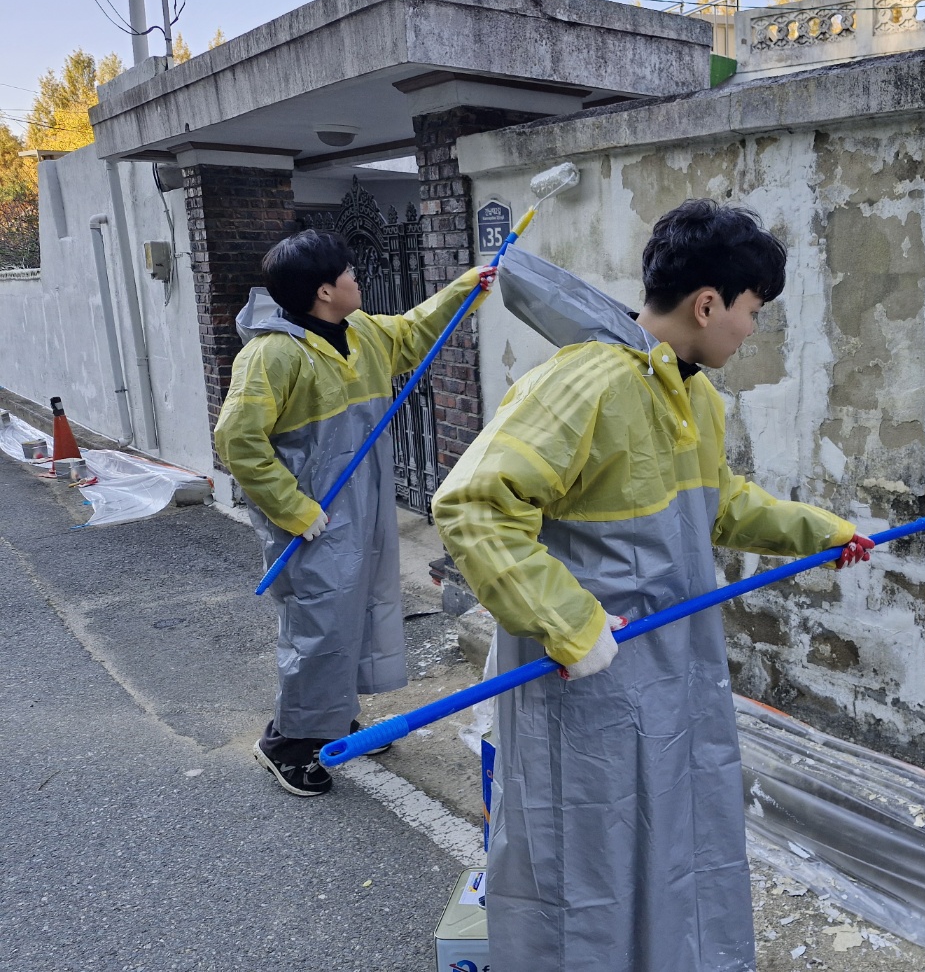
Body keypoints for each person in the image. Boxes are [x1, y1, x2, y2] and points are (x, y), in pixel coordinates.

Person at [432, 199, 876, 972]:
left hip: (673, 672)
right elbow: (473, 504)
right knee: (588, 862)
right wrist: (568, 623)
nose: (751, 330)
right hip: (589, 682)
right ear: (707, 304)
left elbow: (718, 503)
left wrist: (821, 532)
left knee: (674, 840)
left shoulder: (691, 394)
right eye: (752, 311)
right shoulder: (586, 383)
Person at [214, 229, 492, 797]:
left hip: (361, 507)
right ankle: (288, 742)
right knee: (319, 626)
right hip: (313, 521)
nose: (356, 278)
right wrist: (295, 510)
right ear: (324, 291)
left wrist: (468, 287)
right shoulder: (272, 355)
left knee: (355, 613)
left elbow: (412, 332)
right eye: (348, 272)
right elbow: (238, 441)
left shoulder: (360, 332)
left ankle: (332, 718)